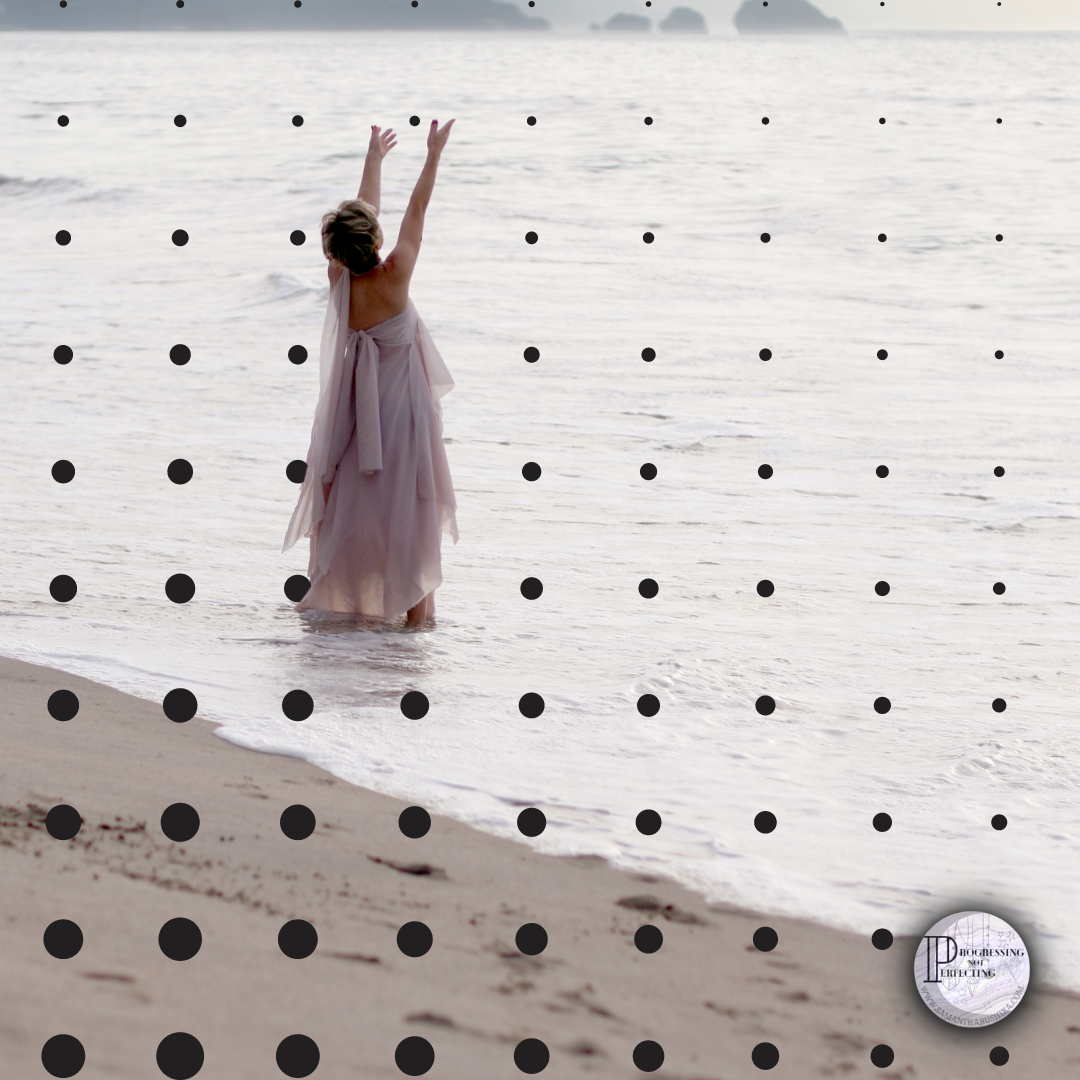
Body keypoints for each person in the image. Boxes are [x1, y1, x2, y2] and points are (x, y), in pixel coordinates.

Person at [282, 120, 459, 629]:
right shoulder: (397, 273)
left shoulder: (339, 280)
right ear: (376, 239)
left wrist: (374, 160)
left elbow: (365, 215)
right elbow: (416, 213)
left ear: (334, 253)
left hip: (360, 415)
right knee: (412, 508)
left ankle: (358, 595)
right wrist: (433, 154)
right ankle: (416, 619)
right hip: (405, 413)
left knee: (363, 510)